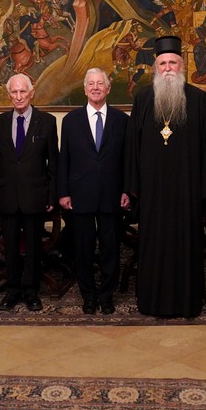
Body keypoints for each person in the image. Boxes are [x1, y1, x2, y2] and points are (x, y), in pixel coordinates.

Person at [125, 35, 206, 318]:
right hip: (152, 193)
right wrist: (133, 187)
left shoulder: (197, 98)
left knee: (186, 244)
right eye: (163, 63)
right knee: (153, 246)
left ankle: (187, 302)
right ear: (156, 68)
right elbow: (132, 147)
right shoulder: (143, 99)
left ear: (182, 66)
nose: (168, 68)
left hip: (187, 192)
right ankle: (152, 301)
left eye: (173, 63)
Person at [58, 68, 130, 315]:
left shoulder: (122, 120)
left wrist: (127, 190)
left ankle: (107, 295)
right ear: (85, 89)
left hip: (112, 195)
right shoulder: (71, 121)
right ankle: (88, 296)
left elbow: (127, 160)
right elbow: (64, 159)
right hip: (80, 195)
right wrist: (63, 192)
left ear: (108, 88)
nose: (96, 87)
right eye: (91, 84)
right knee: (83, 249)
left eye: (100, 83)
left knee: (111, 249)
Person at [0, 73, 59, 312]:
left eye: (22, 91)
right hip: (8, 196)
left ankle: (31, 291)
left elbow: (54, 162)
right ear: (9, 95)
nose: (18, 96)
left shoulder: (47, 122)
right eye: (14, 92)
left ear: (31, 93)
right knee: (10, 247)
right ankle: (12, 290)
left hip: (35, 196)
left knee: (33, 247)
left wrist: (52, 195)